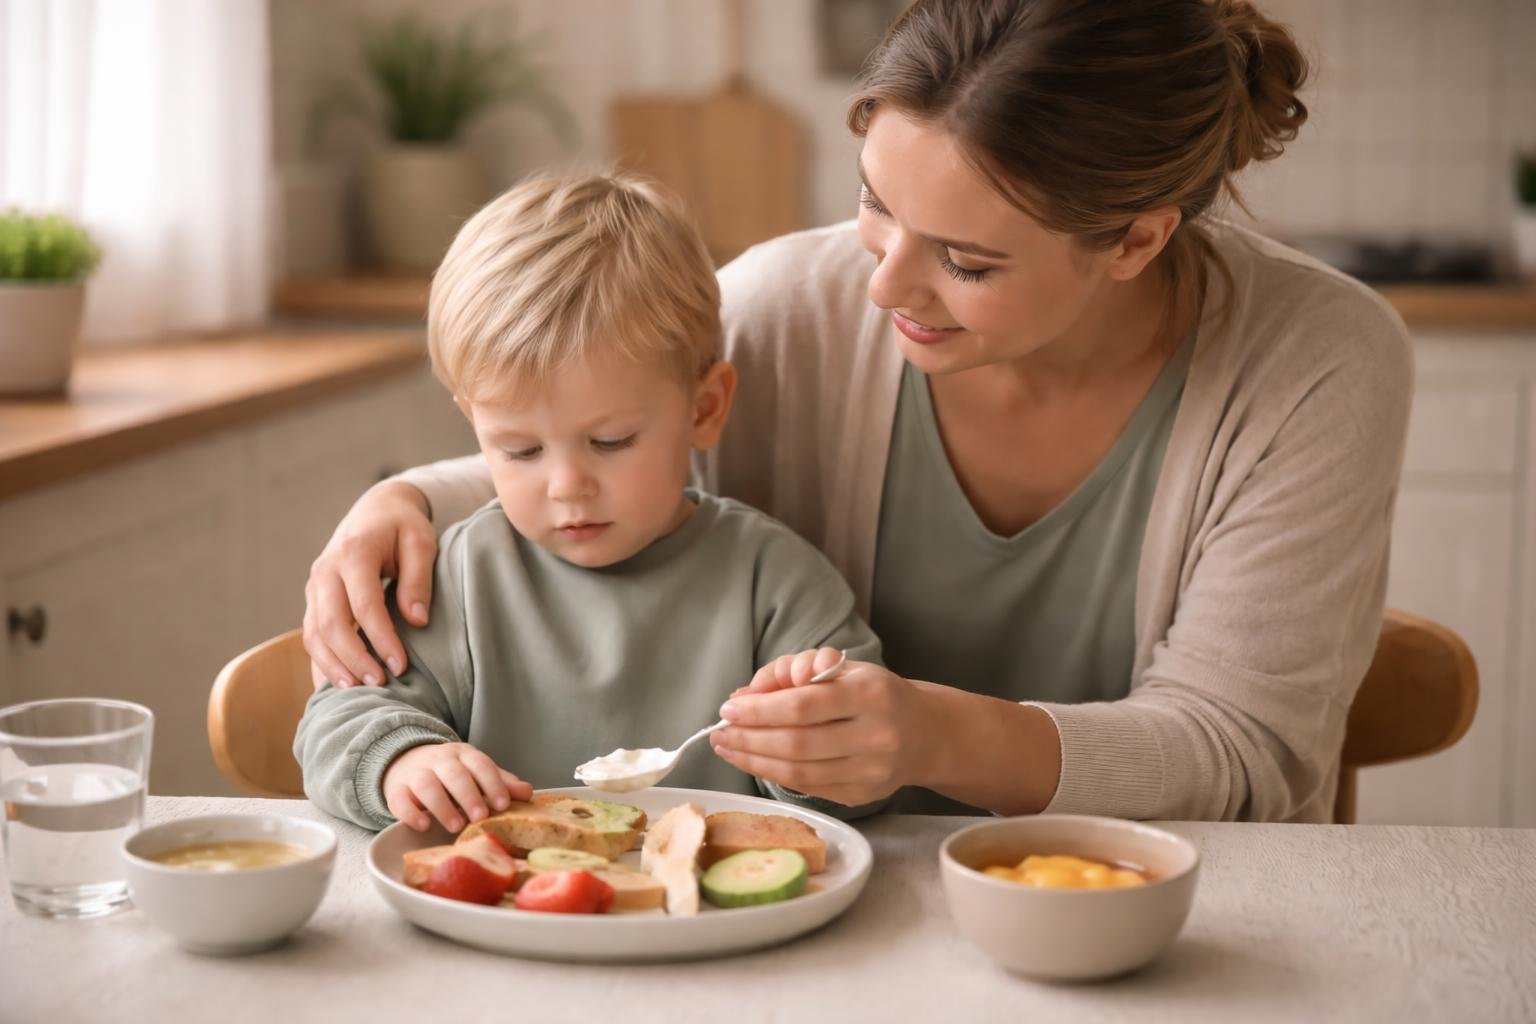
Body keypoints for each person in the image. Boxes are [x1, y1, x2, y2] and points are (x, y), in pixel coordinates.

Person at [301, 0, 1412, 823]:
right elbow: (608, 420)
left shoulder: (1313, 363)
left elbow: (1240, 753)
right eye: (877, 208)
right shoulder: (797, 301)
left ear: (1135, 240)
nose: (881, 289)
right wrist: (402, 498)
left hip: (1149, 914)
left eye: (967, 261)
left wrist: (933, 734)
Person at [295, 173, 880, 834]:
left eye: (610, 441)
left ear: (705, 408)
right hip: (503, 921)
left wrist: (813, 744)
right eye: (519, 450)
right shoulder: (456, 577)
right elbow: (339, 722)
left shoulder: (771, 579)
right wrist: (404, 760)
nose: (566, 486)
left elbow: (867, 762)